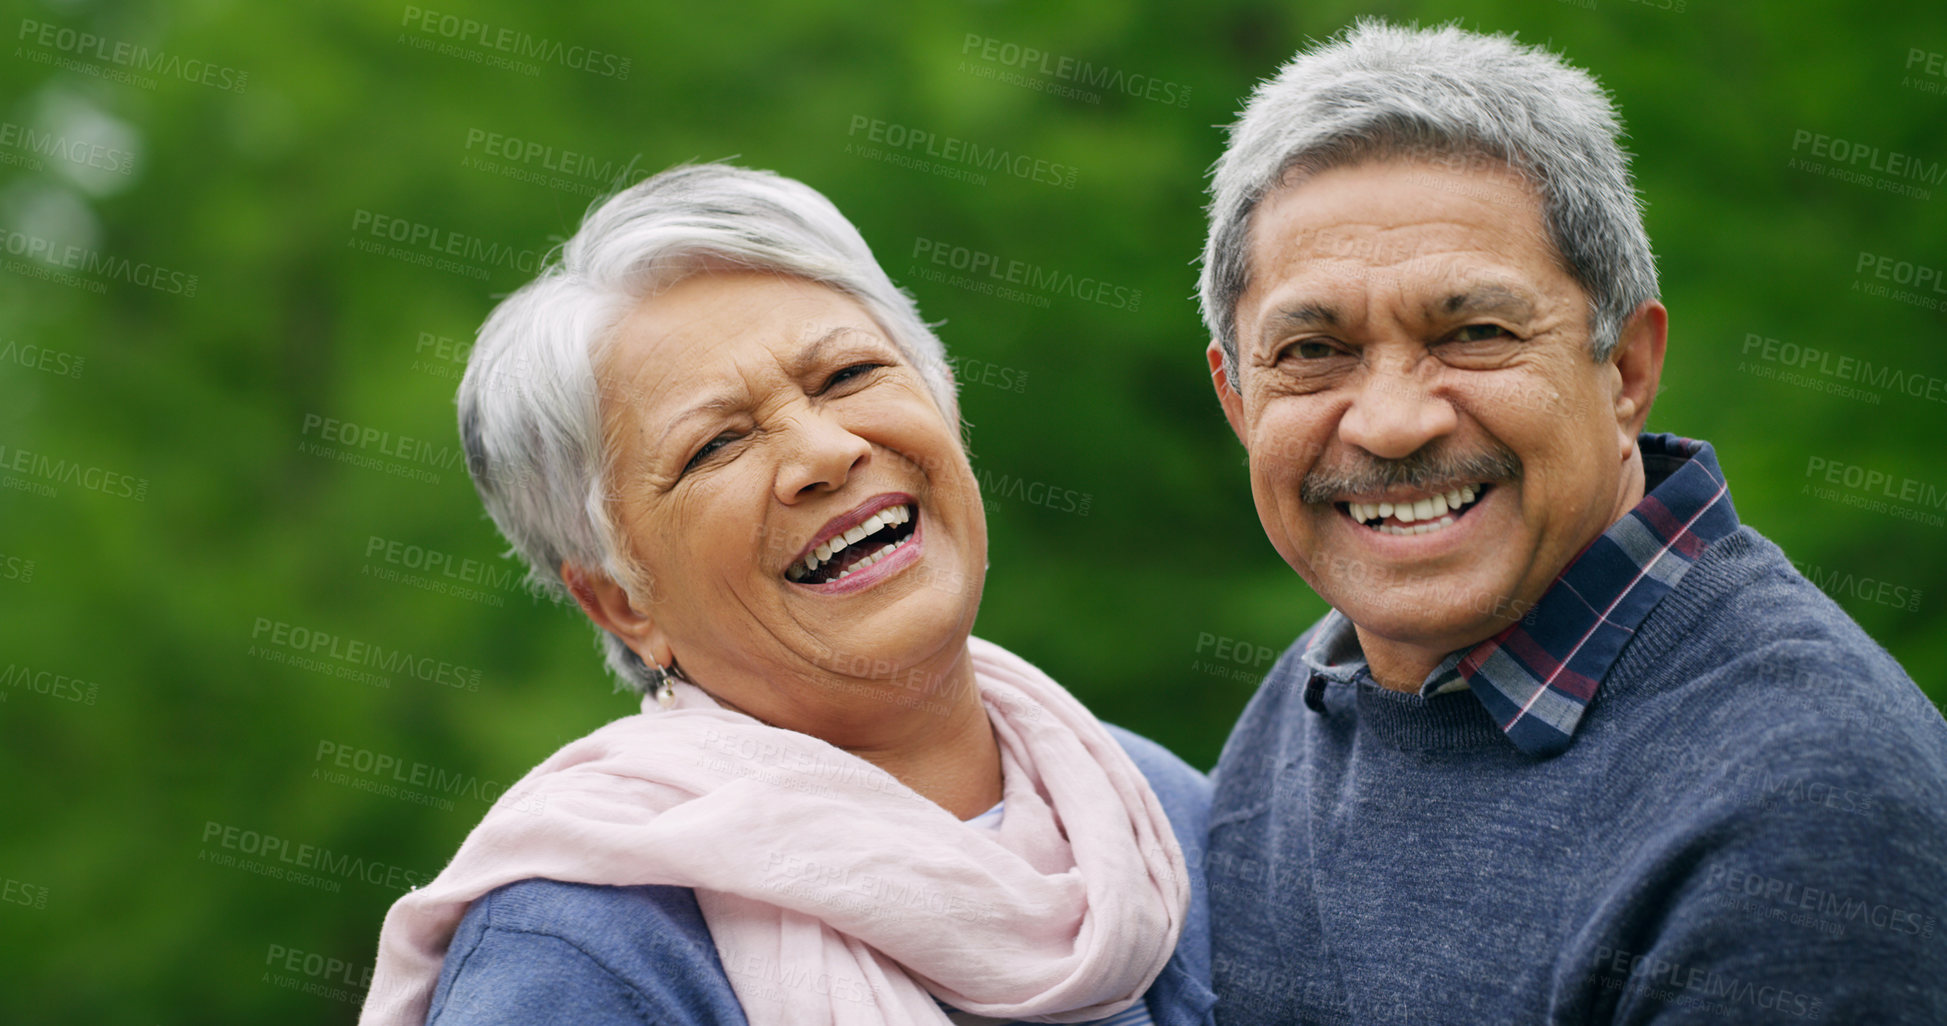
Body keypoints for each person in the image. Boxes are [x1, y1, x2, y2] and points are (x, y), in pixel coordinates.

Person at [1196, 19, 1947, 1024]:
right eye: (1313, 351)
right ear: (1240, 403)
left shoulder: (1806, 803)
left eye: (1474, 334)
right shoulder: (1312, 699)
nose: (1390, 421)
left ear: (1627, 370)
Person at [357, 164, 1215, 1025]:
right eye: (717, 444)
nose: (824, 452)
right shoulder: (585, 952)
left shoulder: (1160, 816)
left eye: (846, 376)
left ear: (944, 399)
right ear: (622, 602)